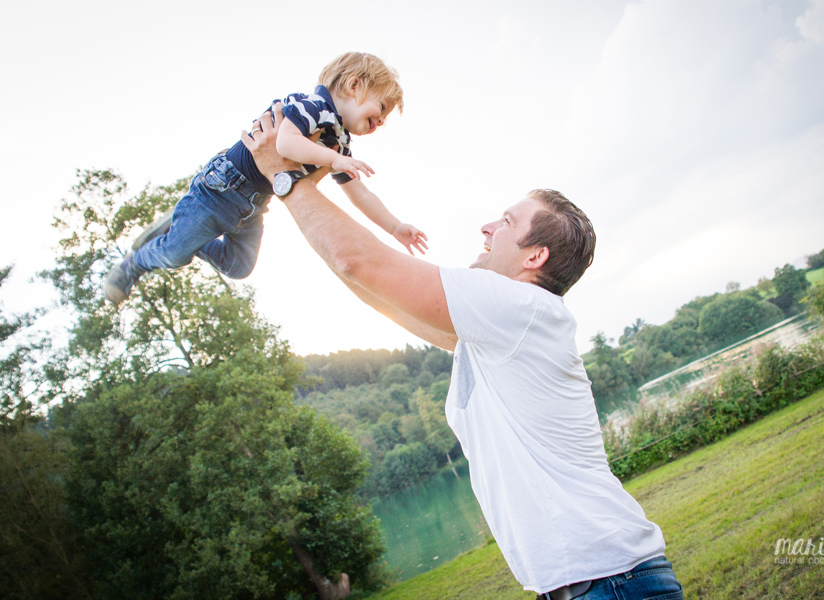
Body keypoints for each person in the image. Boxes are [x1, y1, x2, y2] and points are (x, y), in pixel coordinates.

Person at [244, 107, 684, 600]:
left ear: (534, 257)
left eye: (507, 221)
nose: (486, 227)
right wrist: (298, 190)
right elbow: (370, 286)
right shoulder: (500, 332)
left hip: (609, 583)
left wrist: (283, 178)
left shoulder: (522, 307)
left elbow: (359, 263)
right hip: (594, 582)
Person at [103, 52, 426, 304]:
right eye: (379, 108)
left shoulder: (339, 141)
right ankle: (134, 264)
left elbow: (360, 193)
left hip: (253, 205)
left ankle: (183, 231)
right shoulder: (313, 107)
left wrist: (395, 227)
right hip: (221, 190)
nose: (379, 121)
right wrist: (334, 159)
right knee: (174, 255)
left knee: (238, 267)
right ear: (353, 85)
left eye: (383, 120)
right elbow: (285, 143)